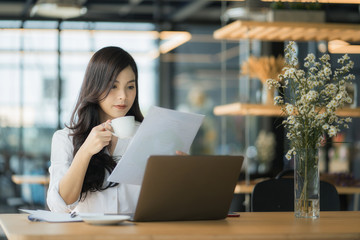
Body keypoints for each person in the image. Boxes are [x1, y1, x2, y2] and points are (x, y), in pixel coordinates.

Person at [47, 46, 185, 214]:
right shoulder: (65, 139)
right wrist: (85, 152)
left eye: (130, 87)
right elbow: (60, 206)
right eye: (113, 86)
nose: (123, 96)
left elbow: (166, 203)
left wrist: (181, 174)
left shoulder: (150, 136)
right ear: (95, 87)